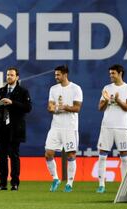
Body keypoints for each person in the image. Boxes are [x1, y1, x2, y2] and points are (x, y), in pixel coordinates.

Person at [96, 64, 127, 193]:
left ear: (120, 73)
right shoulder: (107, 88)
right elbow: (100, 108)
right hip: (106, 125)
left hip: (121, 126)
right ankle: (101, 185)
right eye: (110, 73)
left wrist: (117, 100)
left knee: (124, 156)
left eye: (113, 73)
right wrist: (107, 100)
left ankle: (124, 185)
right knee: (102, 156)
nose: (111, 76)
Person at [0, 67, 32, 191]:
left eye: (11, 75)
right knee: (2, 157)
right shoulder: (2, 90)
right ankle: (2, 183)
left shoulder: (23, 91)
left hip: (15, 128)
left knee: (14, 156)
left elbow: (28, 108)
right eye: (8, 75)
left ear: (17, 77)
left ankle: (15, 183)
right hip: (3, 127)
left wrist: (12, 102)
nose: (9, 77)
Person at [44, 65, 83, 193]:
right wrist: (55, 108)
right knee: (48, 153)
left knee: (71, 154)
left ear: (65, 74)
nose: (56, 77)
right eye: (55, 75)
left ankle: (70, 183)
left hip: (70, 127)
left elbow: (77, 108)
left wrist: (65, 107)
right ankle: (55, 179)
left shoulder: (76, 88)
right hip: (55, 126)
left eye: (58, 75)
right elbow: (50, 107)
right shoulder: (53, 89)